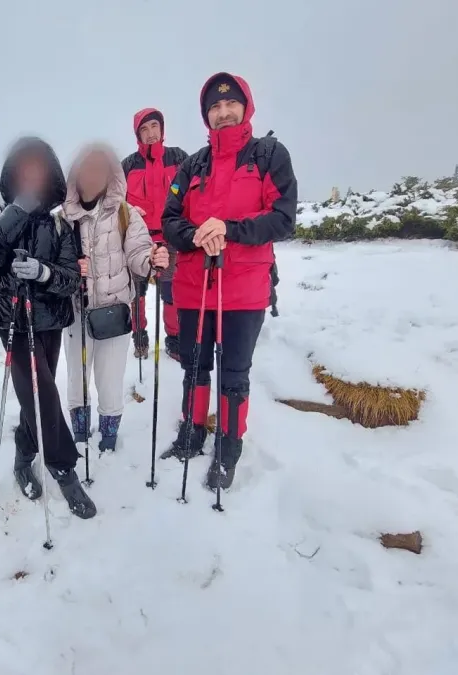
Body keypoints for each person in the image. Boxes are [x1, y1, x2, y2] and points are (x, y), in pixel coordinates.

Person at [161, 72, 297, 491]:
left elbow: (283, 219)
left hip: (244, 290)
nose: (223, 112)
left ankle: (228, 444)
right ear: (206, 115)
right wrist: (196, 235)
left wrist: (230, 229)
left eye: (230, 104)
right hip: (193, 288)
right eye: (215, 107)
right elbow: (170, 219)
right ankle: (192, 430)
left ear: (245, 106)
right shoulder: (192, 164)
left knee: (234, 374)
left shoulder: (269, 155)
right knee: (194, 366)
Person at [0, 136, 97, 520]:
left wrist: (42, 273)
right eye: (24, 169)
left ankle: (24, 454)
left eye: (38, 170)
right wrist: (16, 212)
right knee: (41, 392)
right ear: (12, 173)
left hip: (48, 320)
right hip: (11, 320)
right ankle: (63, 468)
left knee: (36, 395)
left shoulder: (59, 225)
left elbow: (70, 278)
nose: (31, 176)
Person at [61, 142, 169, 452]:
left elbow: (137, 252)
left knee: (109, 382)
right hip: (76, 313)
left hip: (114, 313)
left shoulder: (126, 213)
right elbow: (53, 261)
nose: (93, 176)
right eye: (87, 169)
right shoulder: (62, 218)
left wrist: (151, 259)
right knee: (77, 380)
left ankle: (108, 440)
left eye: (100, 170)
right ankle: (80, 436)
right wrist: (69, 269)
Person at [121, 108, 189, 360]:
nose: (150, 133)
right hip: (139, 240)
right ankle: (140, 338)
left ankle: (174, 339)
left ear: (162, 129)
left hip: (171, 238)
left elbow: (194, 191)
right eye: (144, 129)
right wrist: (129, 210)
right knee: (137, 294)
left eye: (154, 127)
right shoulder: (128, 165)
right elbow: (116, 201)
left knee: (171, 292)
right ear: (137, 134)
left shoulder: (178, 158)